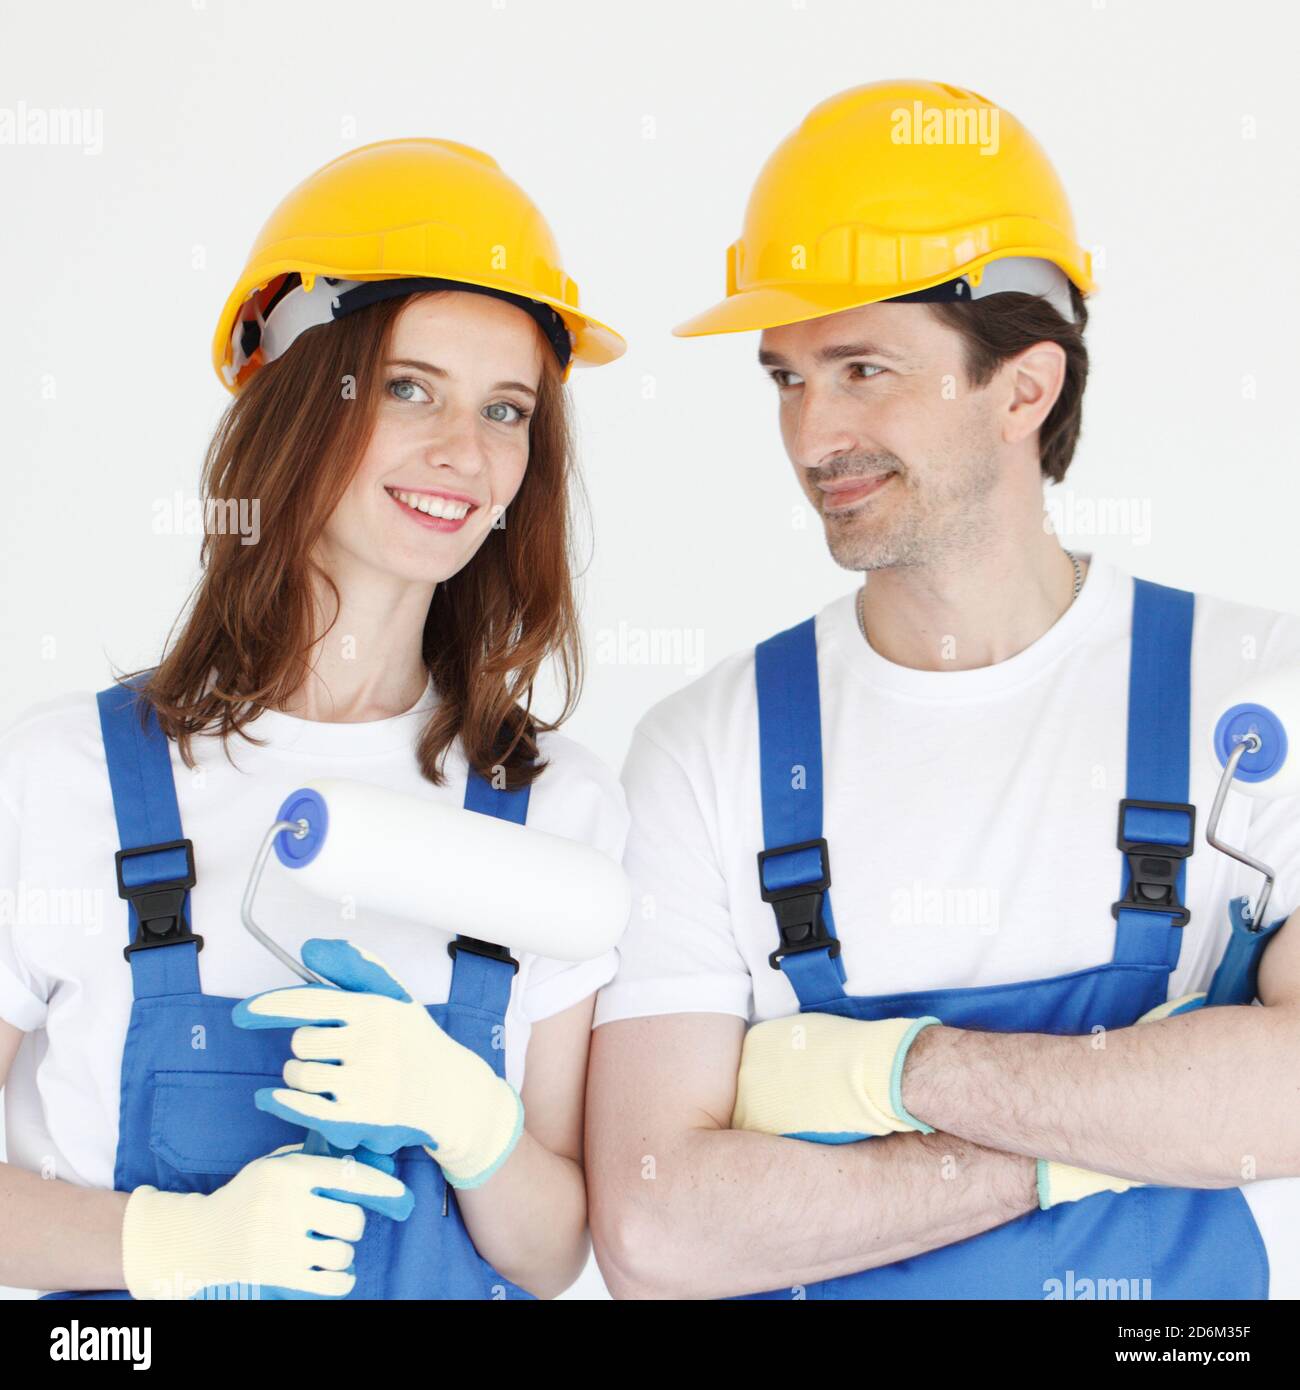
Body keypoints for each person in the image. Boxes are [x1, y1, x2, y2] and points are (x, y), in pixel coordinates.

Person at [586, 79, 1300, 1300]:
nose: (813, 437)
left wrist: (895, 1075)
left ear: (1026, 388)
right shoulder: (709, 750)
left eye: (863, 369)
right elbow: (659, 1228)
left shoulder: (1256, 698)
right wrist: (1118, 1122)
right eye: (785, 378)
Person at [0, 138, 629, 1300]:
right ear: (296, 397)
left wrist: (468, 1120)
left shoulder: (554, 808)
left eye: (506, 409)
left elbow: (551, 1257)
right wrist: (167, 1246)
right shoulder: (64, 775)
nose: (465, 451)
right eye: (407, 387)